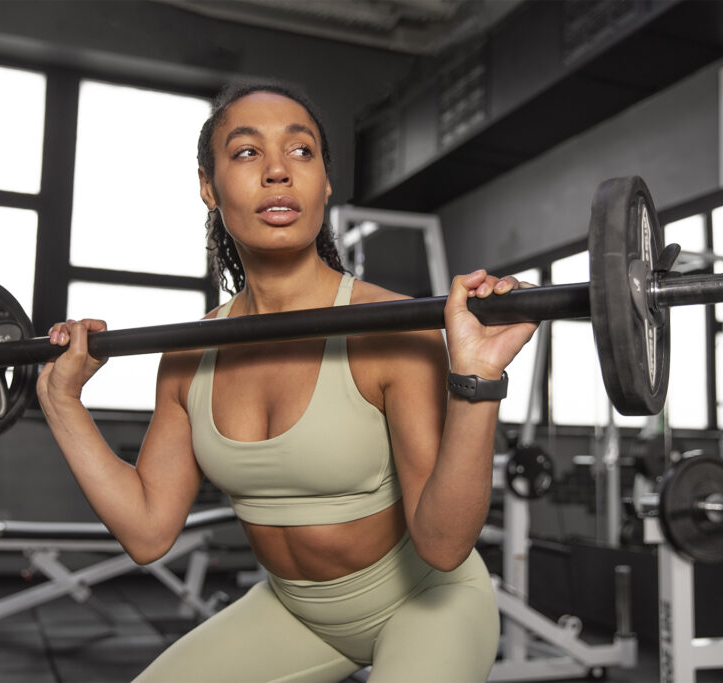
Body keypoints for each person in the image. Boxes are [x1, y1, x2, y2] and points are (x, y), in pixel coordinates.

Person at [37, 81, 538, 682]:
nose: (278, 171)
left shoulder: (391, 330)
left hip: (429, 603)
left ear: (325, 182)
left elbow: (442, 544)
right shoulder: (191, 350)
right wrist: (63, 401)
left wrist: (478, 379)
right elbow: (147, 531)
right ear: (207, 186)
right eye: (247, 153)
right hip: (295, 610)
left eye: (301, 152)